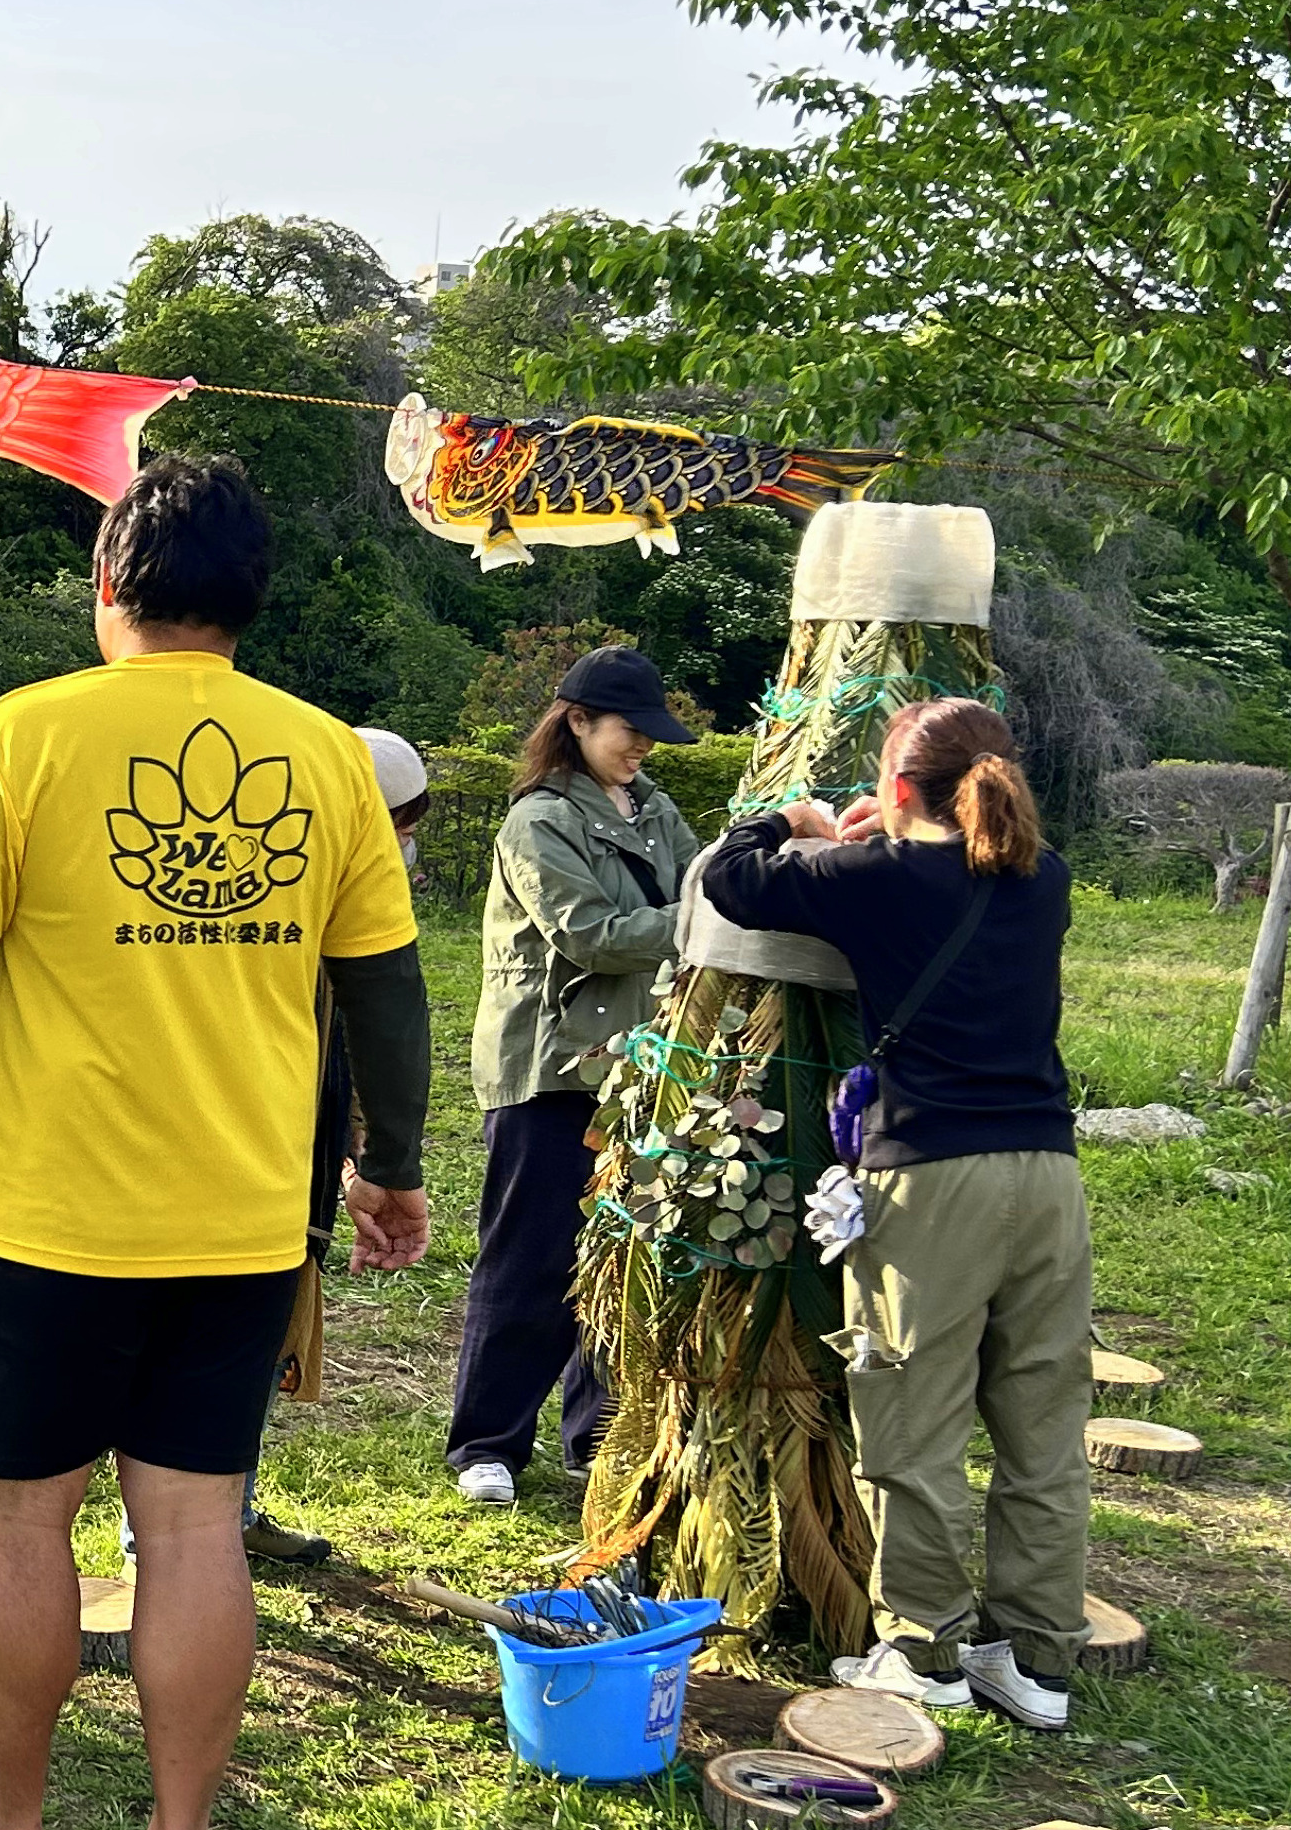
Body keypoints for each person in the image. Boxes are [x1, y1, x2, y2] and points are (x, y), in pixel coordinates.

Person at [0, 455, 432, 1830]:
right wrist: (391, 1167)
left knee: (12, 1527)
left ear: (107, 583)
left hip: (47, 1237)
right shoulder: (326, 760)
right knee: (192, 1534)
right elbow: (385, 992)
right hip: (242, 1236)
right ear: (249, 601)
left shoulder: (21, 735)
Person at [701, 700, 1086, 1729]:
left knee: (910, 1419)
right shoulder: (1042, 879)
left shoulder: (868, 877)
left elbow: (729, 879)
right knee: (1041, 1427)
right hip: (1046, 1173)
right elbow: (964, 868)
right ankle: (1037, 1658)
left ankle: (922, 1647)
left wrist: (796, 823)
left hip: (928, 1177)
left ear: (899, 787)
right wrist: (898, 824)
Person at [125, 725, 436, 1577]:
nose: (402, 849)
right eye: (397, 827)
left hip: (297, 1151)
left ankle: (228, 1509)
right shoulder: (257, 889)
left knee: (265, 1335)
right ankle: (163, 1536)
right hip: (219, 1151)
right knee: (193, 1338)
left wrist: (357, 1156)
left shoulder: (350, 900)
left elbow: (361, 1039)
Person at [449, 646, 700, 1504]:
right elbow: (588, 933)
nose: (643, 747)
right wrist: (705, 916)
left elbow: (694, 887)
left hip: (637, 1065)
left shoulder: (655, 809)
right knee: (530, 1261)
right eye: (631, 730)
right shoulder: (538, 820)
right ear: (578, 722)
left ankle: (594, 1437)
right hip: (549, 1068)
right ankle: (485, 1444)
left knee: (621, 1256)